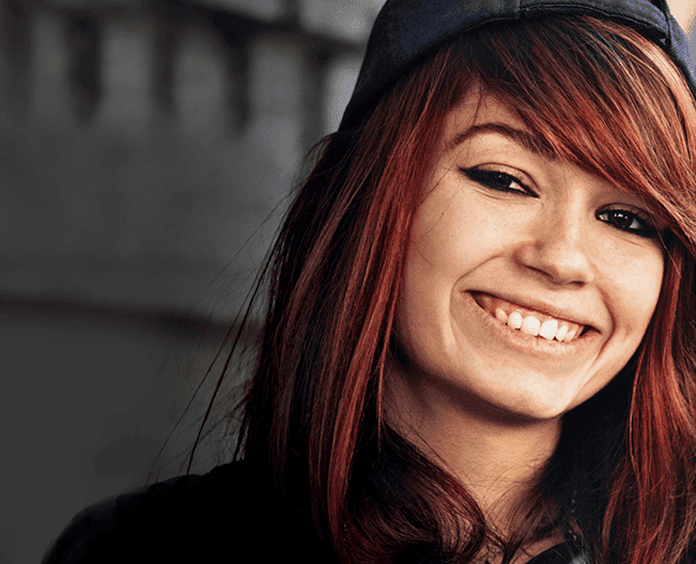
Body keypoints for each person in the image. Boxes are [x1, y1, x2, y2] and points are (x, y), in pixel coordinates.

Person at [43, 0, 696, 563]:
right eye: (503, 179)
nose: (563, 259)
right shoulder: (143, 550)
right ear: (367, 197)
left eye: (626, 218)